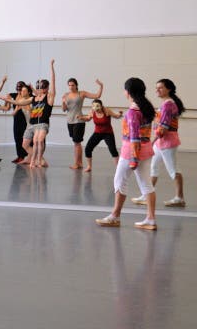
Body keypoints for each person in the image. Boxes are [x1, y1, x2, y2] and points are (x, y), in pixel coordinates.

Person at [95, 77, 157, 230]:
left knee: (119, 181)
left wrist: (134, 159)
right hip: (146, 149)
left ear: (128, 92)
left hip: (131, 152)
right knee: (146, 185)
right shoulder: (146, 108)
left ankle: (115, 216)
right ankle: (150, 219)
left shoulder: (132, 112)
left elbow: (134, 137)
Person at [132, 78, 186, 207]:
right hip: (160, 143)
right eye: (156, 87)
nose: (157, 90)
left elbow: (164, 127)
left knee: (173, 169)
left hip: (167, 142)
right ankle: (146, 195)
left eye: (160, 87)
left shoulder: (168, 104)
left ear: (169, 89)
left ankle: (179, 198)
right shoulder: (165, 104)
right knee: (153, 167)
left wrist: (152, 141)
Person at [1, 60, 57, 168]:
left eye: (43, 87)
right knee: (24, 145)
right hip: (31, 124)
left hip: (42, 124)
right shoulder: (33, 98)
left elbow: (53, 82)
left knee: (38, 140)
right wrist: (4, 98)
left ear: (46, 88)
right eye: (39, 87)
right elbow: (18, 102)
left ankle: (38, 161)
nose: (40, 89)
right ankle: (36, 159)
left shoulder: (49, 98)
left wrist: (51, 66)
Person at [61, 77, 104, 169]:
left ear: (76, 85)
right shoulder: (66, 95)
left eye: (72, 85)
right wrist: (63, 102)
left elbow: (97, 96)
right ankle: (79, 163)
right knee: (76, 142)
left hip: (79, 120)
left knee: (77, 142)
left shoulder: (81, 93)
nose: (71, 87)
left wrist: (101, 86)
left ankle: (77, 163)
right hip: (69, 121)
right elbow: (64, 109)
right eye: (69, 85)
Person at [79, 99, 121, 173]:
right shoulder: (93, 112)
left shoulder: (106, 111)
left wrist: (119, 114)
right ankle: (89, 166)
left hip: (108, 133)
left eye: (98, 107)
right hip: (97, 133)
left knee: (113, 150)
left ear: (101, 106)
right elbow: (88, 118)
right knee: (88, 148)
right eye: (94, 107)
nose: (96, 109)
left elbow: (116, 116)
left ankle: (118, 168)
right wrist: (81, 118)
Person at [9, 82, 31, 163]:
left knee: (25, 139)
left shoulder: (27, 98)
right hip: (16, 121)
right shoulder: (15, 96)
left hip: (24, 121)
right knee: (17, 138)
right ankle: (20, 156)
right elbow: (13, 112)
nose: (18, 88)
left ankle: (27, 156)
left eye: (20, 87)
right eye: (17, 86)